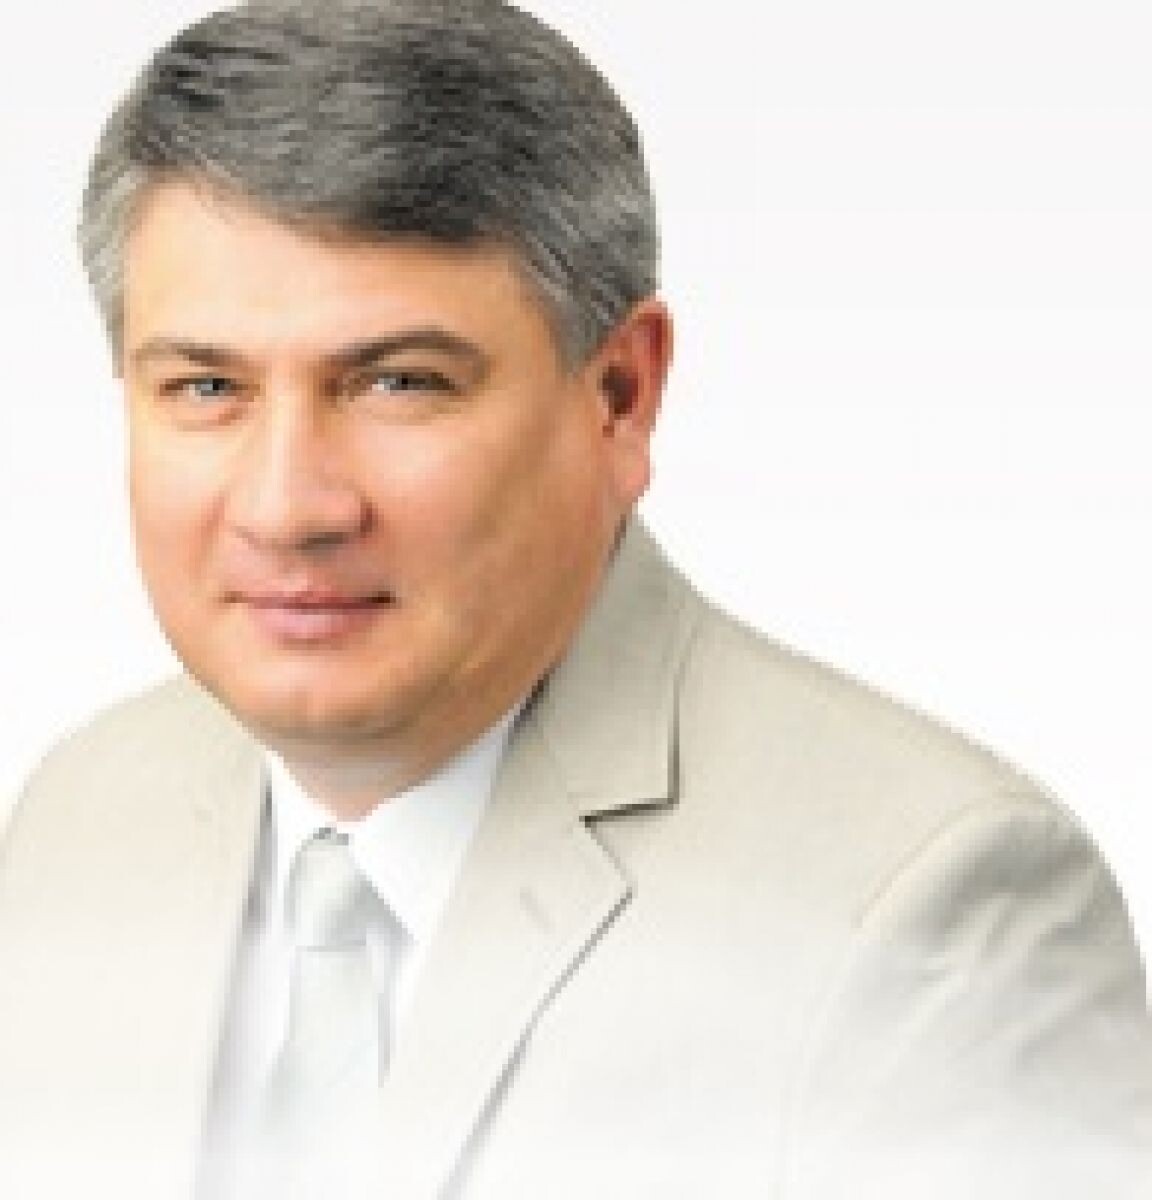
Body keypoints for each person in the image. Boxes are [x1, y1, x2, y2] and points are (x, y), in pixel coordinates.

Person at [0, 2, 1149, 1197]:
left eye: (398, 383)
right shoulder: (72, 824)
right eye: (204, 388)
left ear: (619, 396)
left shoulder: (933, 918)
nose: (288, 507)